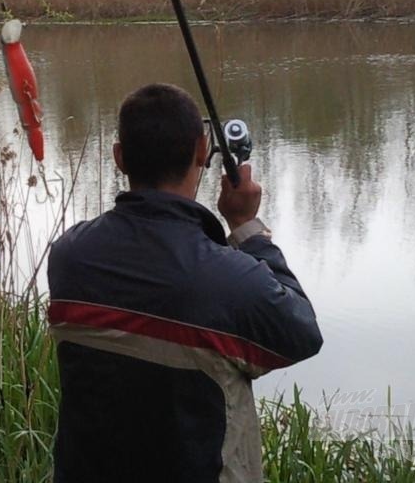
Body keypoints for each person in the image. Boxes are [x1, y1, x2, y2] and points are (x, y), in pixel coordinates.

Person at [47, 83, 322, 483]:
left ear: (120, 157)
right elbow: (302, 331)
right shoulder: (230, 283)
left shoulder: (69, 258)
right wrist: (247, 229)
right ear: (201, 151)